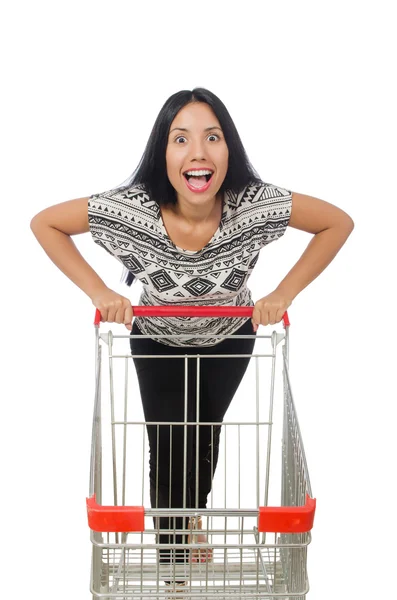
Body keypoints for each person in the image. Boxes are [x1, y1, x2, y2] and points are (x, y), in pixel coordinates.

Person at [30, 87, 354, 581]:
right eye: (181, 139)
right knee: (169, 444)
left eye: (212, 138)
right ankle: (175, 568)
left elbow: (336, 223)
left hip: (231, 338)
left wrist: (283, 295)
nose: (198, 152)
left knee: (203, 436)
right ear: (163, 153)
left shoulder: (254, 206)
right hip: (156, 340)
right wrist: (99, 292)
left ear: (230, 151)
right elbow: (46, 223)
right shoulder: (132, 211)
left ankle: (189, 521)